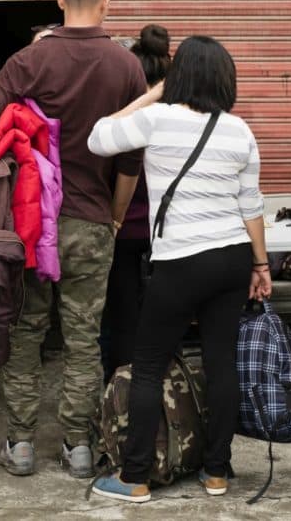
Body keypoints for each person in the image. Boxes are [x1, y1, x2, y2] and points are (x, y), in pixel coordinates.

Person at [0, 0, 147, 479]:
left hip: (29, 226)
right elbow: (131, 159)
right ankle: (79, 447)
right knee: (83, 337)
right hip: (91, 223)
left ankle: (21, 445)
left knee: (25, 331)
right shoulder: (126, 66)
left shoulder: (28, 61)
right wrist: (113, 219)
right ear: (108, 2)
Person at [87, 36, 270, 502]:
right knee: (220, 363)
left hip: (180, 260)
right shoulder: (239, 130)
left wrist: (153, 93)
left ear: (177, 77)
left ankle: (135, 477)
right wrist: (261, 263)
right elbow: (251, 205)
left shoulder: (157, 118)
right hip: (231, 258)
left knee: (147, 367)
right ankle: (217, 472)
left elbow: (98, 135)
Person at [100, 23, 171, 382]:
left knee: (120, 320)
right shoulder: (180, 120)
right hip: (168, 238)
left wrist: (113, 219)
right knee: (164, 321)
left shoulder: (122, 122)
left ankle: (120, 398)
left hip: (123, 234)